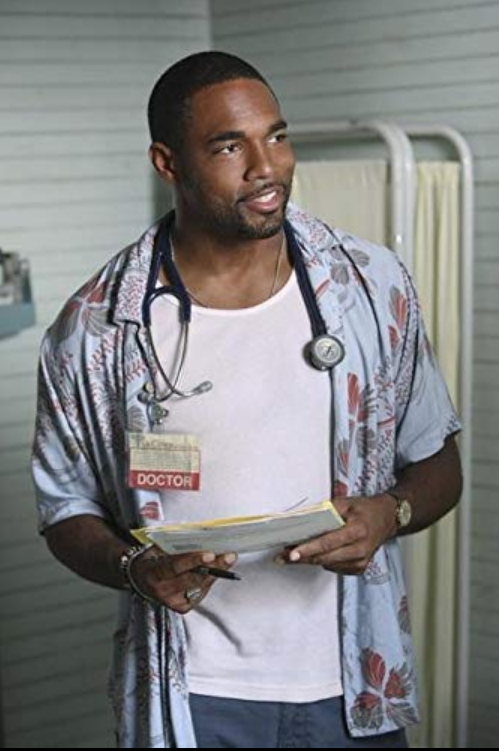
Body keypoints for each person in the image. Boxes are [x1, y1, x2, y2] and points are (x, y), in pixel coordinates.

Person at [32, 51, 462, 749]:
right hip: (196, 699)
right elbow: (64, 509)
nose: (267, 167)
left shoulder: (370, 287)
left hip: (353, 687)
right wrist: (135, 568)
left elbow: (440, 464)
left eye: (277, 136)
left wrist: (391, 513)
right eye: (230, 146)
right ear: (168, 163)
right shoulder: (97, 329)